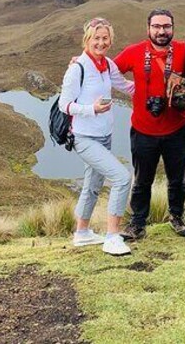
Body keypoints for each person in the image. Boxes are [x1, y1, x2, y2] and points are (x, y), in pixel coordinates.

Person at [113, 9, 185, 241]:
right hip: (143, 130)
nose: (162, 31)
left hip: (178, 129)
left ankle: (177, 217)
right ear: (148, 28)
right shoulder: (134, 52)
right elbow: (106, 70)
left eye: (166, 26)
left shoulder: (184, 50)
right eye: (157, 26)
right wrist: (83, 60)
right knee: (142, 180)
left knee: (177, 178)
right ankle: (137, 223)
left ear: (173, 28)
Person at [58, 17, 135, 256]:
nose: (100, 43)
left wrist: (155, 84)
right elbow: (64, 105)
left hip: (104, 136)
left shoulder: (108, 65)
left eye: (105, 38)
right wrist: (91, 109)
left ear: (110, 40)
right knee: (122, 178)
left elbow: (126, 87)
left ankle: (81, 233)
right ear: (87, 39)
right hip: (84, 138)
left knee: (92, 185)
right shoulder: (77, 68)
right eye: (96, 38)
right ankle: (112, 237)